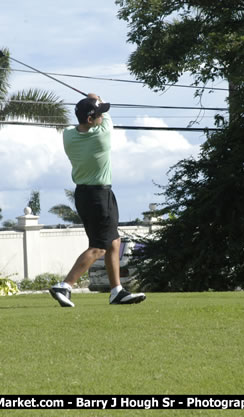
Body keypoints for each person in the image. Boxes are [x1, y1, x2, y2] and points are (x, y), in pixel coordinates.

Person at [49, 93, 146, 307]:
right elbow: (106, 114)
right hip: (100, 196)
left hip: (83, 195)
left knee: (113, 241)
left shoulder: (68, 136)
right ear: (90, 120)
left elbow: (93, 116)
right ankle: (65, 285)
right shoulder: (101, 136)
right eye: (98, 114)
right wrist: (96, 97)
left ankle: (116, 291)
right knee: (99, 247)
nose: (102, 116)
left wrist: (93, 103)